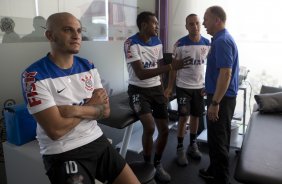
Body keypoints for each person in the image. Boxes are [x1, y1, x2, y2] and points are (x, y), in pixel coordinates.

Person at [21, 12, 140, 184]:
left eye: (78, 30)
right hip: (63, 151)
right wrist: (92, 106)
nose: (77, 35)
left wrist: (73, 110)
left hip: (96, 139)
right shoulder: (33, 76)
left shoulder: (88, 66)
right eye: (68, 30)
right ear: (50, 35)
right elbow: (56, 131)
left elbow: (105, 111)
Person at [124, 11, 184, 183]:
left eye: (158, 23)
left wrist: (164, 90)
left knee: (164, 130)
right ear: (143, 25)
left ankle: (157, 164)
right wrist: (171, 66)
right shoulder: (131, 44)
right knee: (150, 127)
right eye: (154, 23)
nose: (157, 26)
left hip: (156, 90)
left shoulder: (157, 42)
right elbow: (141, 74)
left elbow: (158, 68)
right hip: (138, 90)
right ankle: (147, 164)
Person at [199, 6, 239, 184]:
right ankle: (214, 171)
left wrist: (215, 103)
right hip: (219, 95)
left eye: (205, 19)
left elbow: (226, 74)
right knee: (219, 137)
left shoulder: (222, 41)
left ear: (217, 20)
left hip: (221, 99)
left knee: (217, 141)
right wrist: (208, 87)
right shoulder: (219, 39)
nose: (203, 23)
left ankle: (222, 179)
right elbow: (219, 72)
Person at [164, 14, 210, 166]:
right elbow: (173, 69)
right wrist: (170, 87)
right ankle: (179, 148)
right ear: (186, 26)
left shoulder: (207, 43)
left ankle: (192, 145)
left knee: (196, 116)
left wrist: (208, 85)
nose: (195, 26)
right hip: (183, 86)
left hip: (200, 87)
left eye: (197, 23)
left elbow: (210, 67)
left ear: (200, 24)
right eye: (191, 24)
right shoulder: (179, 44)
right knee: (184, 117)